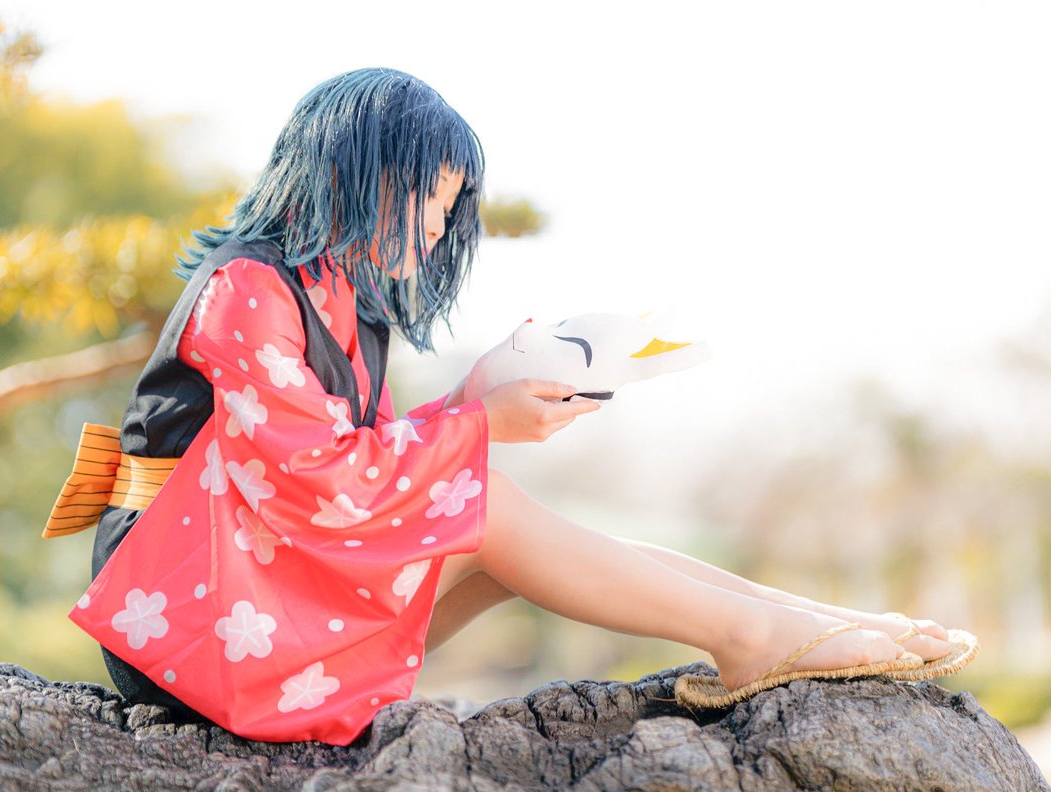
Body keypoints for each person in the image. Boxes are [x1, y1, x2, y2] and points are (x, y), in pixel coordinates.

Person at [58, 68, 952, 746]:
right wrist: (480, 426)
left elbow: (357, 467)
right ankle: (756, 635)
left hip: (243, 591)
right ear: (357, 171)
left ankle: (802, 622)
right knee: (482, 504)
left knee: (500, 528)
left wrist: (470, 395)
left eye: (450, 207)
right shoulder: (248, 289)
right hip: (183, 622)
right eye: (430, 198)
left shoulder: (341, 301)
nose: (440, 226)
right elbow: (323, 482)